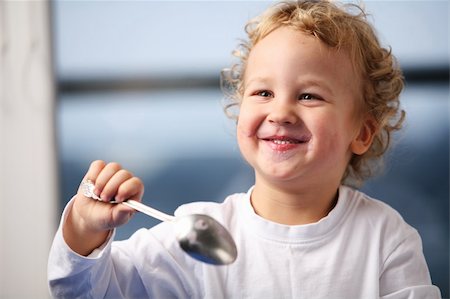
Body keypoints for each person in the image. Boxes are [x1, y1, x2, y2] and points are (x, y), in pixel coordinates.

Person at [48, 1, 441, 298]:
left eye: (308, 95)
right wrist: (84, 229)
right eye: (263, 92)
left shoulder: (387, 238)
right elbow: (84, 290)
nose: (280, 111)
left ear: (362, 132)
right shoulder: (195, 234)